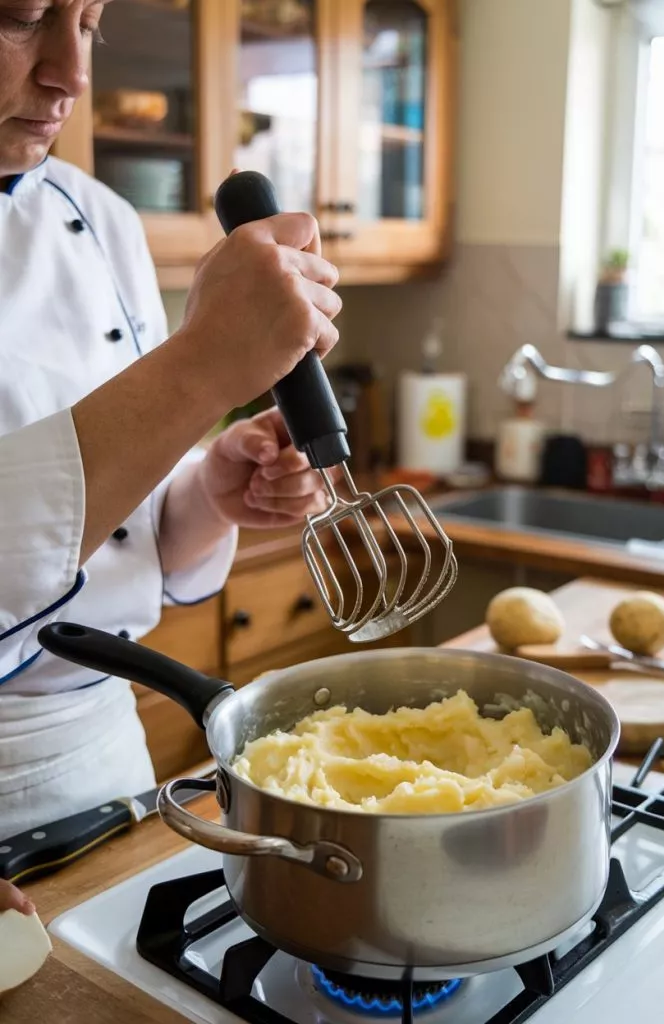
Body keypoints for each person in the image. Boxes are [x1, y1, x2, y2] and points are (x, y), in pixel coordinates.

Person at [0, 0, 343, 902]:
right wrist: (199, 366)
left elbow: (127, 532)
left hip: (110, 764)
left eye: (88, 25)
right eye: (17, 17)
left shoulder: (103, 219)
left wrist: (208, 496)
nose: (70, 75)